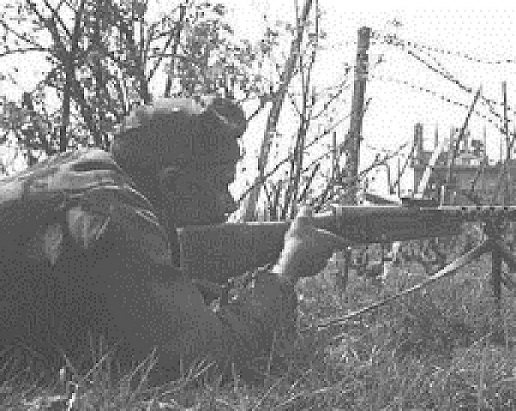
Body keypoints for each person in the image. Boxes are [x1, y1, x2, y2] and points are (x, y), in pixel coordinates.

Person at [0, 96, 349, 385]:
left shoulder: (86, 174)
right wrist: (286, 271)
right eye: (221, 186)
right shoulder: (110, 216)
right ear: (173, 183)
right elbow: (205, 358)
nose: (230, 204)